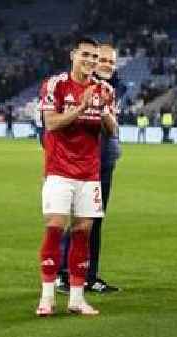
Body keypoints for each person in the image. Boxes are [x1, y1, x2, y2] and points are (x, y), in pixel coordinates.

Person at [36, 37, 117, 317]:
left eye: (95, 57)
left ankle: (77, 298)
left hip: (89, 174)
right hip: (59, 170)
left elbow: (114, 131)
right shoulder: (55, 85)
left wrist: (104, 108)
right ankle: (47, 297)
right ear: (73, 55)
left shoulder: (104, 89)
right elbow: (51, 123)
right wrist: (81, 108)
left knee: (83, 232)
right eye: (86, 55)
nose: (91, 61)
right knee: (55, 227)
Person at [56, 43, 122, 294]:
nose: (106, 65)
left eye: (111, 62)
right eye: (102, 59)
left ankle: (88, 274)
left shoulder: (109, 90)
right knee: (76, 220)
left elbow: (111, 127)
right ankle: (65, 273)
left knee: (94, 220)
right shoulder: (66, 87)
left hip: (102, 163)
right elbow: (49, 127)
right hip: (74, 165)